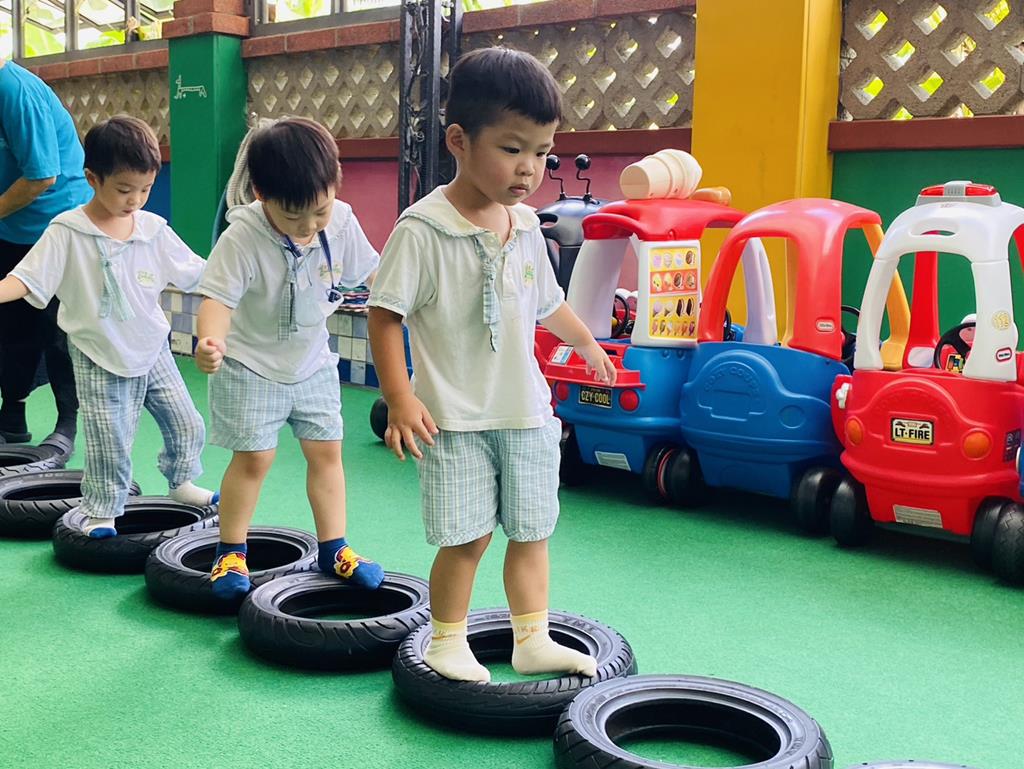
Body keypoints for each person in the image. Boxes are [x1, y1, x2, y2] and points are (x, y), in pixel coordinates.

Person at [367, 47, 617, 683]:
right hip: (454, 419)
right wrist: (400, 398)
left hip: (526, 413)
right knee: (468, 538)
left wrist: (589, 344)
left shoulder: (527, 226)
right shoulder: (422, 229)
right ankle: (447, 641)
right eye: (512, 148)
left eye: (542, 152)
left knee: (531, 531)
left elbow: (549, 304)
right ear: (459, 140)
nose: (529, 168)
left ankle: (532, 639)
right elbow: (384, 315)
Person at [0, 115, 217, 537]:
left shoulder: (152, 229)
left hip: (152, 348)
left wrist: (243, 277)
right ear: (92, 179)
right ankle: (103, 510)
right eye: (123, 189)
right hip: (97, 353)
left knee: (187, 422)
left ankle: (182, 481)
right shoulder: (67, 230)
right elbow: (26, 280)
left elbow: (198, 272)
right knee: (109, 440)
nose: (135, 199)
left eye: (145, 188)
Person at [195, 117, 384, 599]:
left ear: (335, 183)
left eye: (319, 211)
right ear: (261, 194)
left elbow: (374, 273)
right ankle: (230, 552)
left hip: (312, 363)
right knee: (254, 458)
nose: (309, 227)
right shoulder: (242, 237)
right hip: (250, 365)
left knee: (327, 453)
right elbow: (217, 299)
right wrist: (209, 341)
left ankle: (334, 548)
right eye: (294, 215)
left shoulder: (341, 221)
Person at [0, 58, 92, 444]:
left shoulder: (16, 91)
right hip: (10, 224)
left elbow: (42, 175)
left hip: (56, 224)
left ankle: (66, 423)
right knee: (10, 324)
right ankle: (12, 417)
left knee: (57, 329)